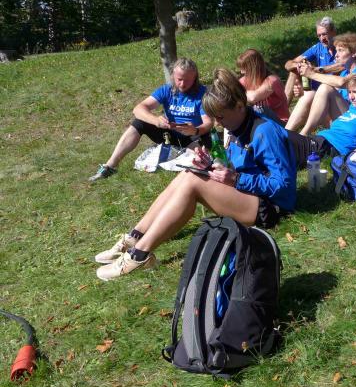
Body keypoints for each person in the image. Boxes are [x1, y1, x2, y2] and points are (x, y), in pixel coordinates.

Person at [94, 69, 296, 281]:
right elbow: (244, 166)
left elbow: (284, 185)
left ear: (239, 106)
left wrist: (236, 179)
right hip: (249, 195)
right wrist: (210, 165)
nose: (217, 124)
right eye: (214, 118)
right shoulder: (238, 124)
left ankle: (139, 255)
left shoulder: (265, 132)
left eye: (220, 117)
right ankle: (135, 237)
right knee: (188, 173)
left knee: (192, 182)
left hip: (272, 208)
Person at [89, 57, 213, 182]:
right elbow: (138, 109)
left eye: (187, 80)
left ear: (195, 78)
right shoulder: (167, 90)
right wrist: (156, 121)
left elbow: (208, 123)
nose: (182, 84)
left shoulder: (202, 93)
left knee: (204, 164)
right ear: (173, 76)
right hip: (169, 134)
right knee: (139, 122)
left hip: (193, 137)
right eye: (179, 79)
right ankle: (110, 166)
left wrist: (195, 130)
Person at [290, 72, 356, 166]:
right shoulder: (353, 108)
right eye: (349, 92)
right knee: (282, 137)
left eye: (355, 92)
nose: (351, 97)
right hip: (318, 139)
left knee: (283, 142)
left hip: (327, 147)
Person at [286, 32, 356, 135]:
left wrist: (311, 74)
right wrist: (302, 93)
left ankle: (302, 135)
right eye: (336, 50)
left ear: (353, 53)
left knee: (325, 88)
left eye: (340, 50)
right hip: (341, 116)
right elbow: (332, 94)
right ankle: (286, 134)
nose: (336, 55)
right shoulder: (345, 71)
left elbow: (341, 82)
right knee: (310, 94)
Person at [282, 16, 343, 104]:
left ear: (333, 32)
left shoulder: (342, 47)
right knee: (293, 70)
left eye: (324, 34)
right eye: (319, 35)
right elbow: (288, 65)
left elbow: (342, 65)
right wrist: (299, 65)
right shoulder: (318, 47)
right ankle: (283, 108)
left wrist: (315, 70)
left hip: (332, 88)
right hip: (317, 85)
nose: (322, 39)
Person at [237, 49, 290, 124]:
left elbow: (253, 98)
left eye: (244, 68)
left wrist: (239, 93)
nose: (242, 72)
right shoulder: (243, 81)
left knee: (262, 111)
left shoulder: (272, 81)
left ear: (254, 68)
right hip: (260, 123)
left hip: (279, 123)